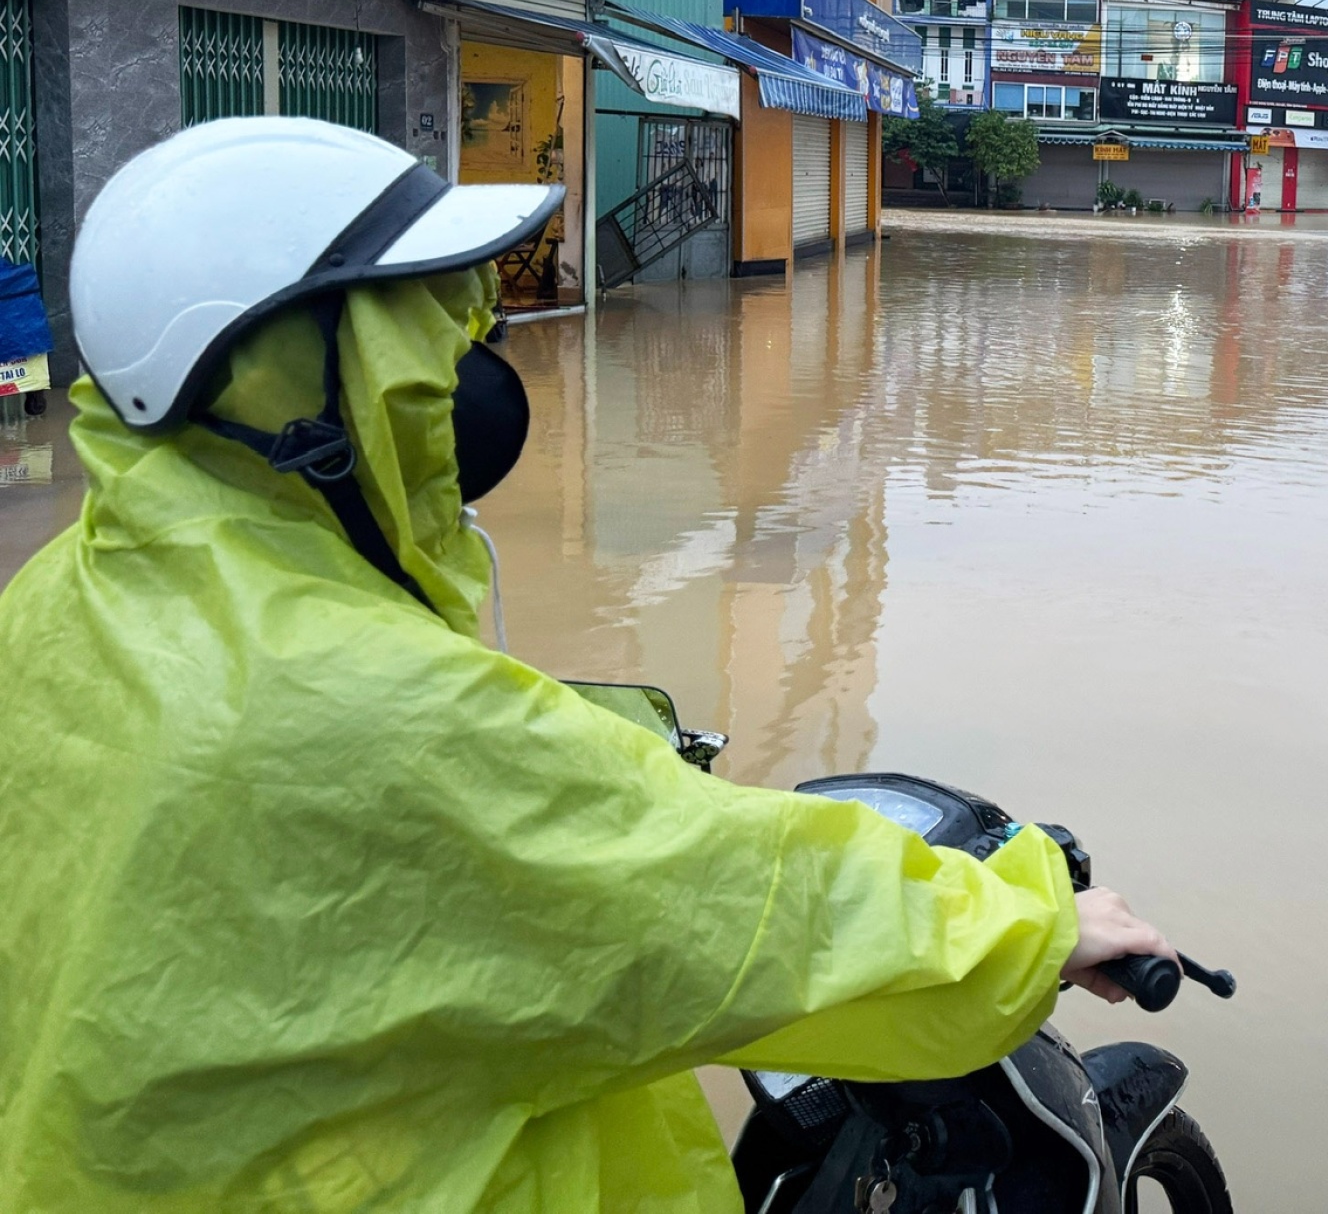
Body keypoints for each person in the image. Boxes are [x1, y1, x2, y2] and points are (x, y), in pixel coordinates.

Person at [0, 118, 1172, 1211]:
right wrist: (1033, 925)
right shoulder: (373, 705)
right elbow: (718, 907)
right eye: (423, 340)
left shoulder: (66, 594)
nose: (469, 386)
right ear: (292, 387)